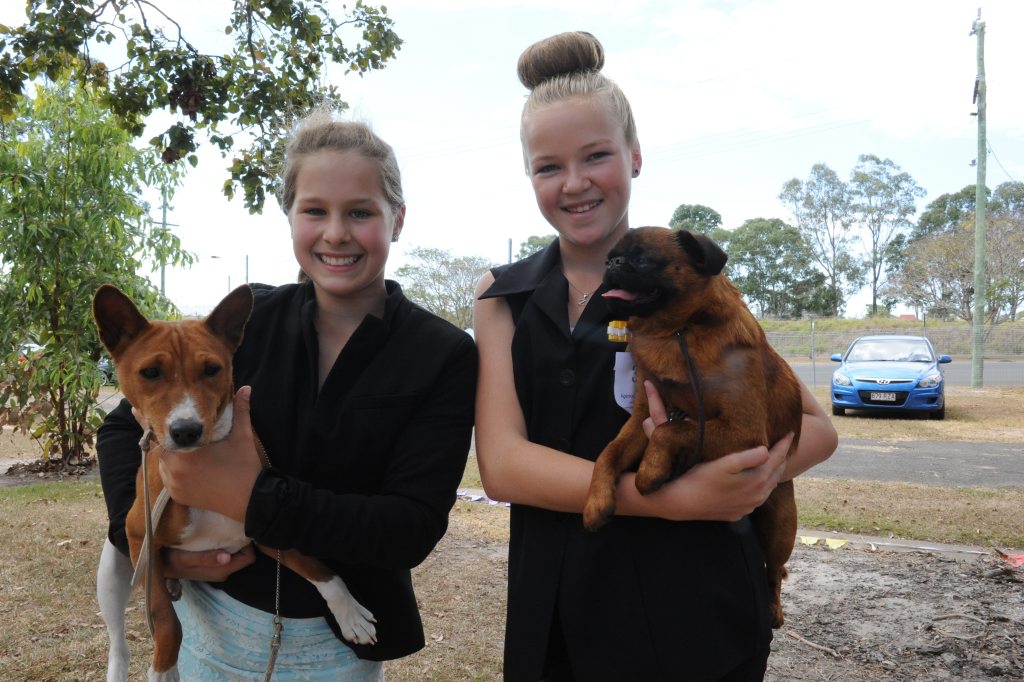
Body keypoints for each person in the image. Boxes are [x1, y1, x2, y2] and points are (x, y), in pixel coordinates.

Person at [473, 31, 838, 681]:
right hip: (557, 605)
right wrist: (673, 498)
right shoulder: (503, 297)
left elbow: (817, 430)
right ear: (528, 175)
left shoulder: (695, 284)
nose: (576, 183)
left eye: (596, 156)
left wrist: (746, 475)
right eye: (549, 166)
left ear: (634, 156)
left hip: (697, 609)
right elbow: (502, 467)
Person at [97, 110, 478, 679]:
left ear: (397, 219)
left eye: (360, 212)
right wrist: (151, 539)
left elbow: (410, 529)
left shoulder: (440, 353)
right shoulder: (244, 327)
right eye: (314, 211)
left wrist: (252, 498)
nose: (336, 233)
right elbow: (125, 428)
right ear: (290, 217)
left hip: (340, 650)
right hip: (210, 629)